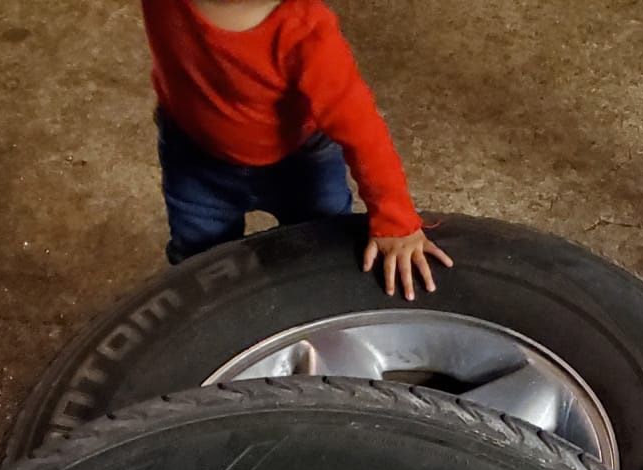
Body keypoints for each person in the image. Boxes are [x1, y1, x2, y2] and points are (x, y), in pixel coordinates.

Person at [142, 0, 452, 297]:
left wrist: (396, 222)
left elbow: (363, 132)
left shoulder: (307, 33)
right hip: (195, 159)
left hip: (301, 165)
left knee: (327, 251)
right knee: (198, 268)